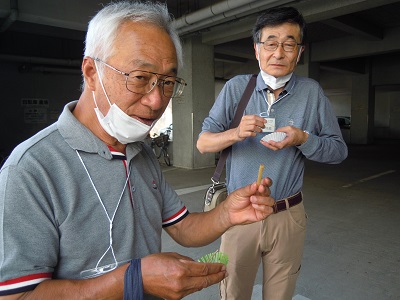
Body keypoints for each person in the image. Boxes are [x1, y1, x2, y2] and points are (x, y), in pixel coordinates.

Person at [0, 2, 276, 300]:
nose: (157, 101)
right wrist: (132, 279)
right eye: (140, 78)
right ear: (92, 72)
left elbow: (182, 228)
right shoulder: (31, 169)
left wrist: (226, 213)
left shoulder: (140, 153)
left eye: (168, 82)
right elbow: (19, 296)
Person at [197, 6, 348, 300]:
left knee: (281, 293)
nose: (279, 53)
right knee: (233, 290)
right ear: (257, 49)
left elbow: (338, 151)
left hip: (288, 215)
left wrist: (302, 138)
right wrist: (236, 133)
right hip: (240, 214)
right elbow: (203, 142)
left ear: (299, 51)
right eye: (271, 43)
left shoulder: (310, 92)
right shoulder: (236, 88)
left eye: (289, 44)